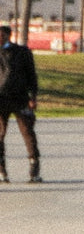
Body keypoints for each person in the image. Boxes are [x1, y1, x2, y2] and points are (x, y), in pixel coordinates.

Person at [0, 25, 39, 183]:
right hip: (0, 100)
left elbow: (32, 75)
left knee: (28, 133)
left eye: (2, 35)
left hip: (20, 98)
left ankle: (34, 168)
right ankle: (2, 171)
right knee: (0, 135)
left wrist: (33, 96)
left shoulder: (22, 52)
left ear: (8, 36)